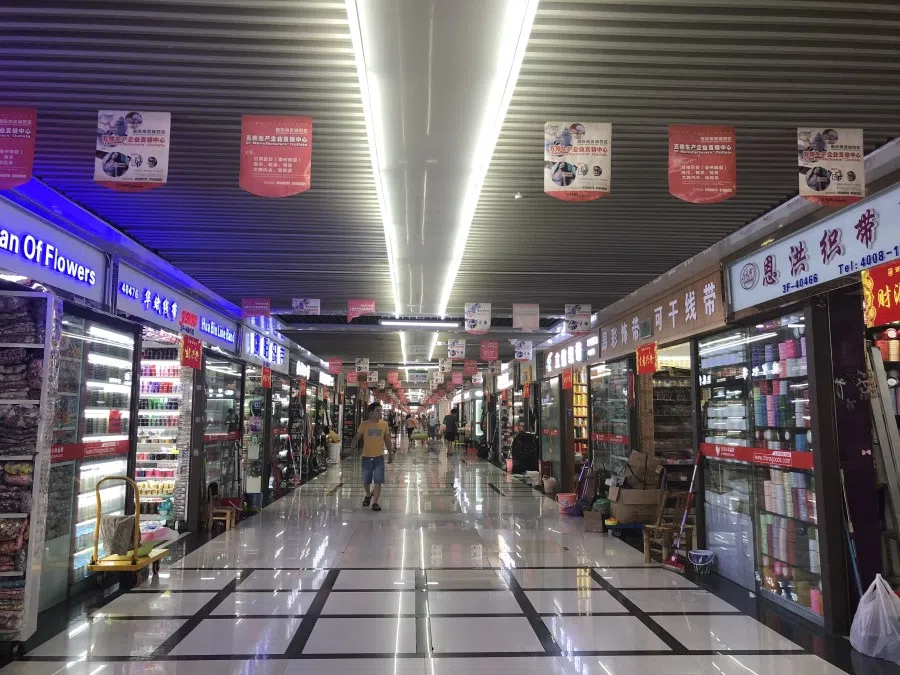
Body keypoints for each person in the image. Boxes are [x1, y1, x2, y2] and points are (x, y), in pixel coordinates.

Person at [351, 402, 393, 512]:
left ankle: (375, 503)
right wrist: (352, 446)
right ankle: (368, 494)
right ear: (371, 412)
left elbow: (387, 439)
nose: (380, 412)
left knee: (378, 481)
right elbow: (357, 436)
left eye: (380, 410)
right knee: (366, 481)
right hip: (366, 456)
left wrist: (391, 453)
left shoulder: (384, 424)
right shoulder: (364, 424)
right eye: (377, 410)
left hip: (379, 456)